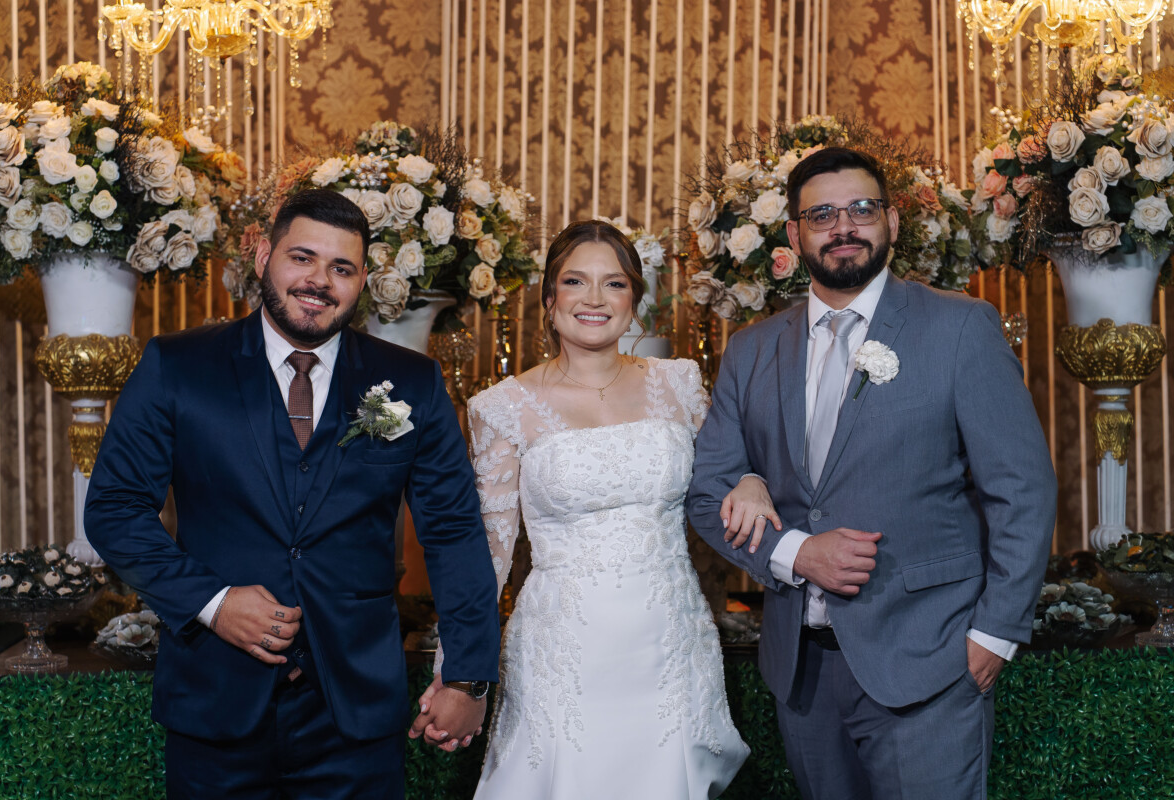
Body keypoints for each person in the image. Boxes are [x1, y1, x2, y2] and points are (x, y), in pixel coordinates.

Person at [85, 189, 500, 799]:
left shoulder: (411, 381)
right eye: (302, 258)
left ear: (363, 282)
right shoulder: (178, 366)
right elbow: (115, 509)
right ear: (263, 257)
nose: (319, 282)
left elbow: (454, 531)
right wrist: (214, 603)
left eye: (342, 268)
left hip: (355, 713)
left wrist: (468, 679)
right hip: (215, 703)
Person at [686, 147, 1057, 799]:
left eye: (861, 208)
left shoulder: (959, 327)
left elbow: (1021, 489)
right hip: (801, 671)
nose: (844, 227)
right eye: (822, 215)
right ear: (794, 234)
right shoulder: (751, 349)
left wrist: (995, 633)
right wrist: (796, 552)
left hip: (929, 660)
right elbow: (707, 489)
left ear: (891, 221)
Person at [425, 219, 759, 799]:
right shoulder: (502, 407)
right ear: (550, 299)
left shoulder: (680, 383)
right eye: (576, 281)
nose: (595, 299)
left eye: (615, 283)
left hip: (670, 644)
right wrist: (459, 676)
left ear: (634, 301)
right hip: (563, 649)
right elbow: (489, 558)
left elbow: (723, 477)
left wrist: (752, 479)